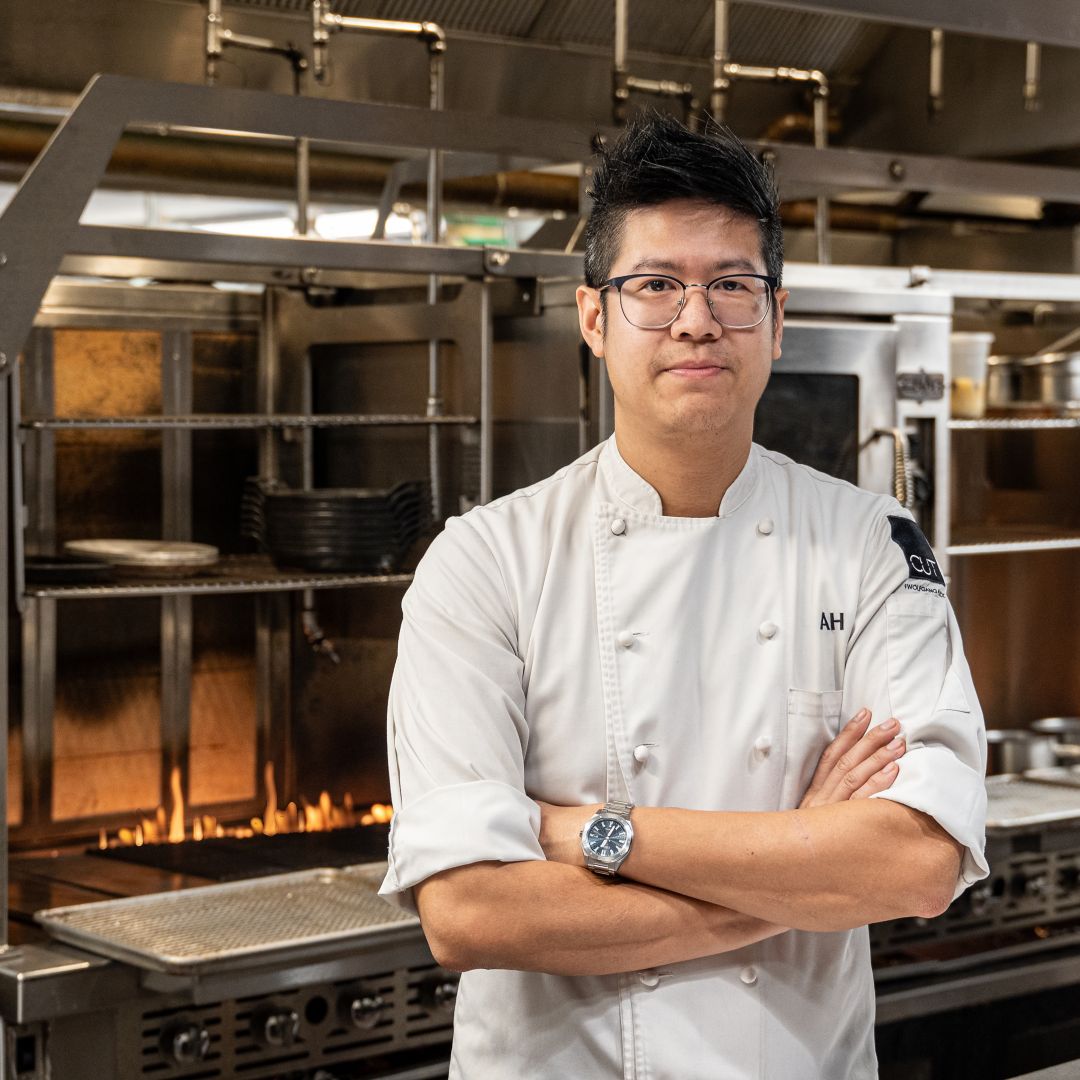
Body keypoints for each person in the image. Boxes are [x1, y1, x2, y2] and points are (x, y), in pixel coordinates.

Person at [379, 111, 988, 1079]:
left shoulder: (870, 548)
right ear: (593, 318)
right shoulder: (482, 563)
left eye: (732, 287)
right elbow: (467, 911)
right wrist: (799, 867)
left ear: (777, 321)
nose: (696, 318)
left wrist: (579, 835)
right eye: (655, 285)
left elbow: (916, 864)